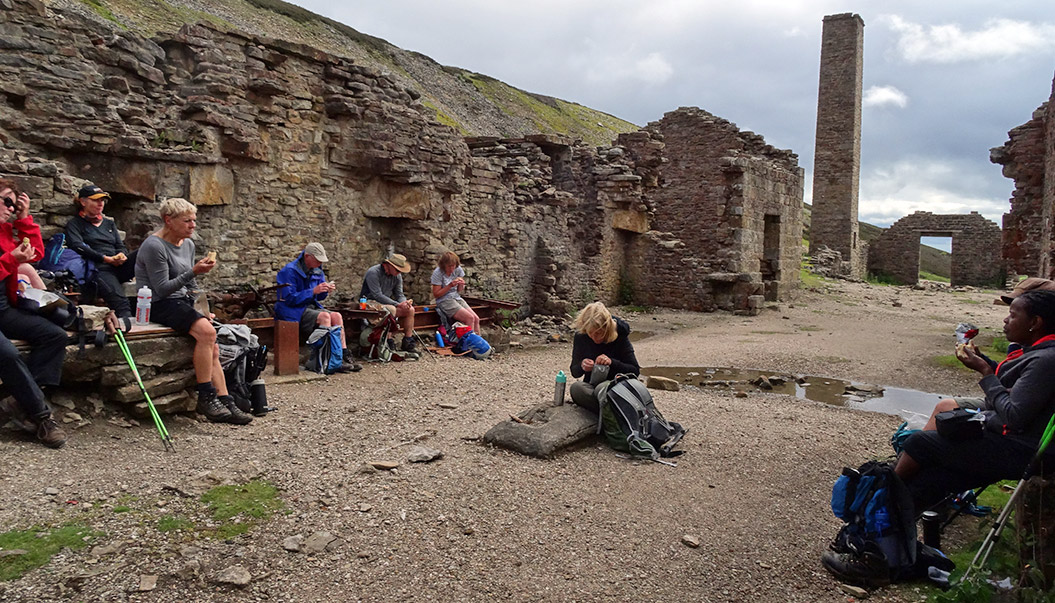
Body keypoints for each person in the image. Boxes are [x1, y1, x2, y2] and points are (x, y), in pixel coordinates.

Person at [894, 290, 1055, 513]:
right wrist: (983, 362)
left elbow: (1014, 416)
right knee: (929, 481)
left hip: (1025, 450)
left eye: (1013, 314)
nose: (1005, 320)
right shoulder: (1038, 352)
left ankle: (884, 490)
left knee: (919, 443)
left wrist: (985, 372)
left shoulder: (1046, 360)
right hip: (1018, 441)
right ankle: (888, 534)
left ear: (1035, 322)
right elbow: (1015, 386)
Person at [135, 197, 252, 425]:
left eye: (194, 220)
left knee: (214, 346)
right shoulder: (154, 245)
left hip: (181, 301)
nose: (193, 225)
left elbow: (190, 286)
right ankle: (206, 395)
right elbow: (163, 288)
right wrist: (194, 272)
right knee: (207, 334)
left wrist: (202, 307)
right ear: (169, 220)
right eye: (187, 221)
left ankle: (225, 399)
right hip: (156, 303)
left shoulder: (187, 244)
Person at [0, 179, 68, 448]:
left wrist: (24, 217)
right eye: (6, 201)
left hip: (3, 308)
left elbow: (36, 254)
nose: (11, 207)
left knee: (55, 336)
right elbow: (13, 261)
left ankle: (20, 402)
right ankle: (42, 417)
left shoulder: (5, 230)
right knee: (8, 353)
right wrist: (11, 260)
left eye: (13, 203)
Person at [274, 242, 360, 373]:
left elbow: (319, 298)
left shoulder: (317, 270)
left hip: (310, 307)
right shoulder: (289, 271)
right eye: (318, 260)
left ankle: (341, 357)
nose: (320, 263)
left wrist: (325, 290)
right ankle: (322, 360)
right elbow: (289, 298)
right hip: (291, 310)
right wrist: (313, 291)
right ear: (307, 256)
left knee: (337, 316)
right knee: (325, 316)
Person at [65, 184, 137, 327]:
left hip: (118, 264)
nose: (100, 204)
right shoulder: (75, 224)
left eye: (102, 200)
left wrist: (122, 255)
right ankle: (128, 328)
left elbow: (120, 245)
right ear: (83, 202)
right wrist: (105, 258)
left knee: (146, 251)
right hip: (99, 268)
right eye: (95, 200)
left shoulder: (109, 224)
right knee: (121, 302)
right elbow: (78, 246)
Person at [568, 301, 640, 413]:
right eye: (590, 333)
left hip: (615, 387)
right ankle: (610, 412)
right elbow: (574, 371)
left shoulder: (619, 337)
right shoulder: (581, 337)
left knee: (602, 389)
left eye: (598, 333)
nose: (594, 337)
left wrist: (611, 362)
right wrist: (582, 365)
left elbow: (634, 371)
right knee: (576, 388)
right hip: (592, 387)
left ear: (607, 328)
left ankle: (606, 412)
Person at [359, 253, 417, 352]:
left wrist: (405, 303)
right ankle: (388, 340)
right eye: (397, 270)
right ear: (389, 265)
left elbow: (399, 294)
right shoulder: (373, 272)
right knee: (392, 309)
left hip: (385, 303)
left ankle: (408, 341)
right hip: (369, 303)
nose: (399, 273)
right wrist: (397, 304)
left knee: (410, 310)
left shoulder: (397, 276)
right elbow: (377, 294)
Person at [430, 251, 480, 334]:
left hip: (456, 297)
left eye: (454, 266)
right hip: (444, 300)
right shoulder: (438, 273)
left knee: (476, 318)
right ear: (444, 265)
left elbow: (459, 290)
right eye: (449, 266)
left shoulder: (457, 269)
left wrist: (461, 284)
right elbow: (436, 294)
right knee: (469, 318)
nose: (452, 269)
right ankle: (468, 344)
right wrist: (449, 285)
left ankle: (479, 343)